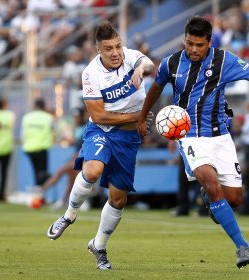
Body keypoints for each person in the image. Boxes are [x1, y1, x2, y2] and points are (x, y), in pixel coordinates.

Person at [137, 16, 249, 269]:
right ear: (184, 41)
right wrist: (142, 117)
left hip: (220, 136)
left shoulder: (225, 60)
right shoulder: (171, 63)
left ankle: (211, 200)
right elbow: (155, 88)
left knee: (233, 199)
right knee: (211, 182)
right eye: (190, 44)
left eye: (199, 45)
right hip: (190, 135)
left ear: (209, 42)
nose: (194, 49)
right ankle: (242, 247)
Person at [46, 20, 155, 270]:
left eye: (117, 46)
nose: (115, 52)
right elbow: (100, 115)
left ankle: (99, 245)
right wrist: (138, 116)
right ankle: (69, 216)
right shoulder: (90, 73)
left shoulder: (131, 56)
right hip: (102, 130)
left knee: (118, 200)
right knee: (92, 170)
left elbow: (147, 63)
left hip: (128, 139)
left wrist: (140, 70)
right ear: (98, 50)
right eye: (108, 48)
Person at [31, 107, 87, 209]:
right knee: (71, 178)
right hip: (77, 157)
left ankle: (43, 189)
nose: (75, 119)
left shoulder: (86, 127)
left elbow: (86, 144)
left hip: (84, 158)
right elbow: (77, 143)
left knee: (63, 170)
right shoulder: (78, 128)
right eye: (74, 117)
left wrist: (78, 154)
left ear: (81, 117)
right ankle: (64, 201)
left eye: (77, 117)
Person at [21, 98, 54, 186]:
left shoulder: (26, 117)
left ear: (34, 106)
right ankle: (39, 192)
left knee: (36, 171)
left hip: (29, 148)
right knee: (42, 173)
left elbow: (23, 134)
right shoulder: (48, 117)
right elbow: (54, 132)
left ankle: (37, 190)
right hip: (42, 148)